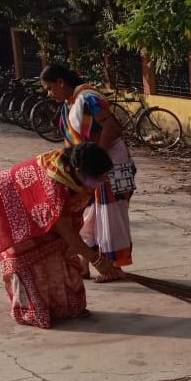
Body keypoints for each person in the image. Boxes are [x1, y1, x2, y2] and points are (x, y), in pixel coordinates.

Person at [0, 143, 123, 328]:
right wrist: (97, 260)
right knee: (30, 258)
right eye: (99, 177)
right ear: (79, 171)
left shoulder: (73, 170)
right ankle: (32, 309)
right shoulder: (55, 186)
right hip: (10, 206)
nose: (103, 180)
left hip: (38, 204)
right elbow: (66, 232)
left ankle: (66, 307)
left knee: (59, 252)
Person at [41, 63, 136, 282]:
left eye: (49, 88)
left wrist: (94, 158)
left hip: (108, 164)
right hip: (88, 169)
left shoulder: (88, 98)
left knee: (109, 213)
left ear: (61, 83)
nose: (49, 93)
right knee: (87, 213)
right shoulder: (69, 103)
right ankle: (85, 265)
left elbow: (112, 128)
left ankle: (112, 266)